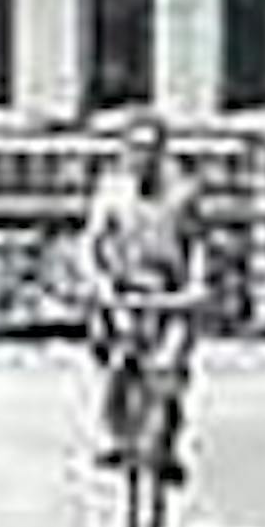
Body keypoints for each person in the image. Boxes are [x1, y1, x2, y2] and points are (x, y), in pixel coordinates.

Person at [81, 114, 207, 487]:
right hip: (124, 295)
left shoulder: (182, 194)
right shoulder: (112, 193)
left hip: (171, 295)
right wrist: (101, 285)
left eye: (151, 149)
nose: (143, 157)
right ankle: (114, 435)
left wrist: (196, 285)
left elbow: (197, 245)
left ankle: (168, 446)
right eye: (136, 148)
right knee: (118, 362)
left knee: (171, 372)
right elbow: (91, 244)